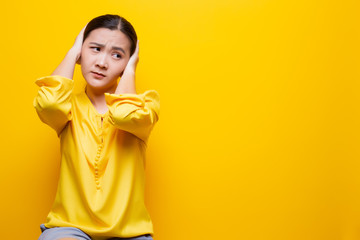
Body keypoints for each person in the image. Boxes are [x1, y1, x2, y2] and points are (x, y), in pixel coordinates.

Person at [34, 14, 160, 240]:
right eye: (95, 48)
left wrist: (130, 70)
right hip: (70, 228)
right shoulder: (67, 107)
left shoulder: (145, 107)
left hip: (130, 233)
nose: (102, 62)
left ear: (127, 62)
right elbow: (48, 103)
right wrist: (73, 52)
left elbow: (123, 115)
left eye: (117, 55)